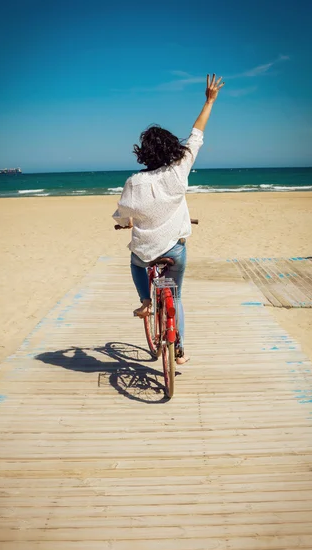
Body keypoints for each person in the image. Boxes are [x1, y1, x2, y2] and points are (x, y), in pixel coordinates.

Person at [113, 73, 224, 364]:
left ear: (143, 153)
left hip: (146, 251)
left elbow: (123, 214)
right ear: (172, 148)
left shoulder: (134, 182)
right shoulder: (179, 170)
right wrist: (209, 101)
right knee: (175, 298)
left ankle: (146, 301)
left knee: (136, 262)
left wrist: (125, 222)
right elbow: (197, 134)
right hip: (175, 249)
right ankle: (179, 348)